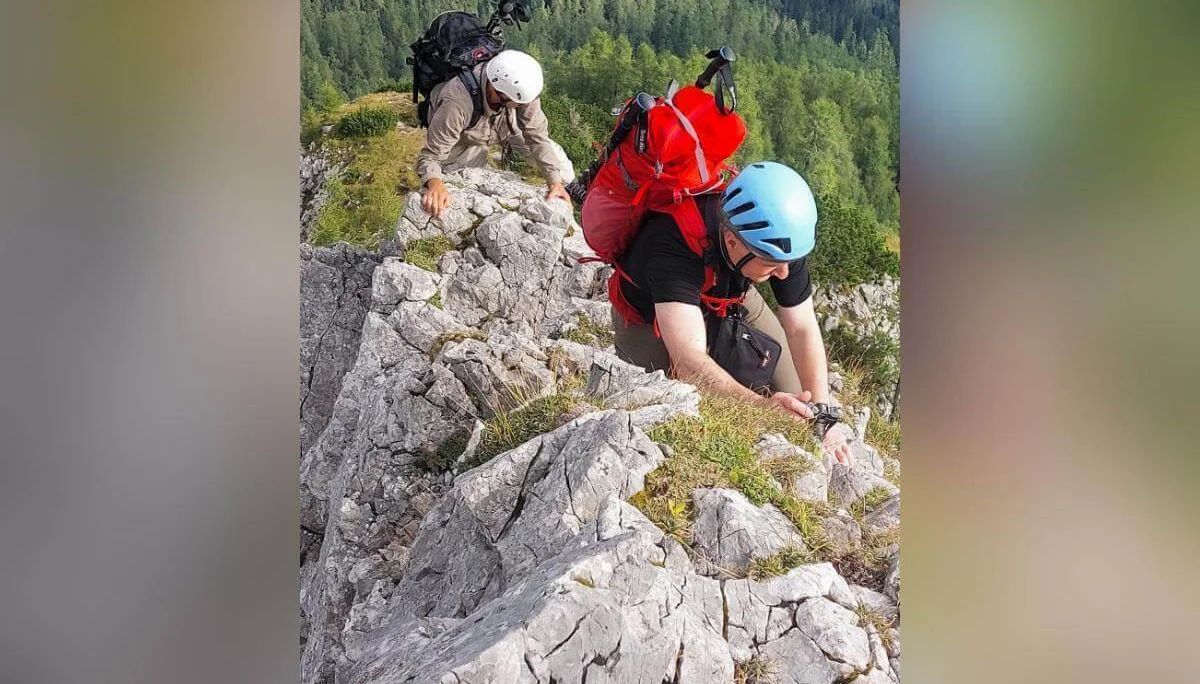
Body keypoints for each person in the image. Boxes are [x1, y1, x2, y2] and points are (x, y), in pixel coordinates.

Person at [611, 162, 855, 464]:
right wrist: (761, 407)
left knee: (798, 401)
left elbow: (802, 327)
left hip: (726, 295)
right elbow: (689, 361)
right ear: (732, 241)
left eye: (789, 262)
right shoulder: (673, 241)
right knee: (676, 404)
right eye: (771, 263)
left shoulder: (781, 242)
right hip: (649, 318)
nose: (784, 273)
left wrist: (823, 415)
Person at [416, 49, 574, 217]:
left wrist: (555, 181)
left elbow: (537, 137)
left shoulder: (519, 90)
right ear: (498, 92)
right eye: (517, 103)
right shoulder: (457, 103)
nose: (522, 107)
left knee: (563, 171)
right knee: (458, 188)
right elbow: (430, 157)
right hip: (464, 137)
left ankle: (571, 189)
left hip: (505, 127)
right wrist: (435, 184)